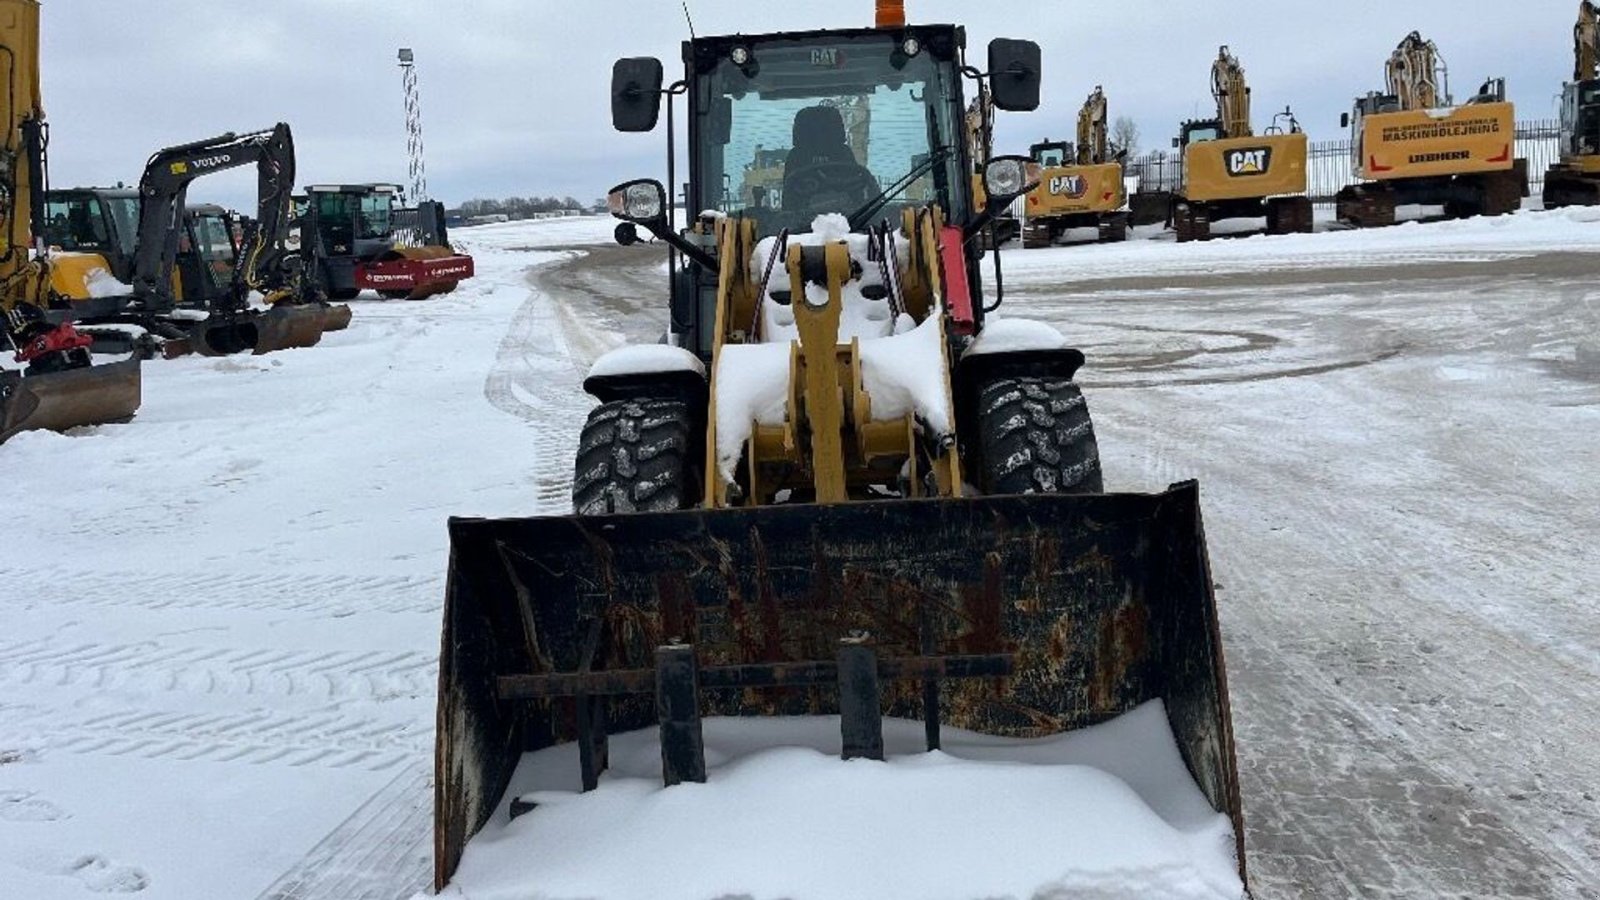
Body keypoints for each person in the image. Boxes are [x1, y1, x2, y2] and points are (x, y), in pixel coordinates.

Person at [782, 105, 879, 221]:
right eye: (814, 130)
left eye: (825, 129)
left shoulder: (844, 153)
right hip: (800, 227)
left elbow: (857, 193)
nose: (820, 133)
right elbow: (789, 201)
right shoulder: (796, 157)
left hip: (851, 223)